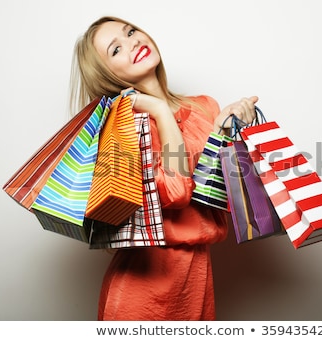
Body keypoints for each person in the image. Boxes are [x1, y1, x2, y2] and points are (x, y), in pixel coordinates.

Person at [69, 16, 258, 321]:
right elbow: (177, 193)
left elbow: (220, 197)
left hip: (196, 279)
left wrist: (223, 131)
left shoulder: (205, 107)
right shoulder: (122, 129)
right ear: (107, 75)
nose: (132, 42)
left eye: (130, 32)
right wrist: (157, 109)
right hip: (143, 289)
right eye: (116, 49)